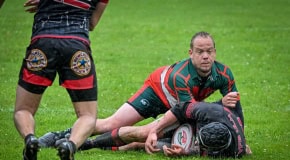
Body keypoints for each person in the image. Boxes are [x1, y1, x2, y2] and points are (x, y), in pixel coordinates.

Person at [39, 31, 244, 151]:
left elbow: (235, 108)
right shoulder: (181, 76)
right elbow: (188, 109)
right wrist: (218, 105)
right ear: (191, 53)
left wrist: (241, 139)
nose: (206, 56)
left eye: (209, 51)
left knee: (145, 137)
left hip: (182, 104)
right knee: (113, 123)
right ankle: (60, 135)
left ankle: (86, 145)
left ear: (215, 52)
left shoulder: (224, 73)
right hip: (157, 90)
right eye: (200, 52)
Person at [14, 0, 109, 160]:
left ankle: (30, 140)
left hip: (42, 43)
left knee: (23, 109)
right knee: (87, 115)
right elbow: (92, 24)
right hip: (76, 46)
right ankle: (69, 146)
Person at [145, 102, 247, 158]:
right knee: (141, 134)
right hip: (184, 118)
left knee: (152, 145)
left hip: (192, 130)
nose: (196, 142)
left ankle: (136, 145)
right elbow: (179, 109)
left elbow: (198, 153)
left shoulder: (233, 153)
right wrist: (154, 131)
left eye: (201, 144)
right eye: (199, 139)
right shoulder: (209, 112)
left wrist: (184, 153)